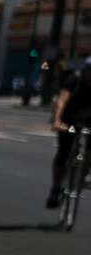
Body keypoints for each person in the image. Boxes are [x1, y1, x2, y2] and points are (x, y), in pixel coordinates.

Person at [48, 52, 91, 211]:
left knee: (89, 153)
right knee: (64, 153)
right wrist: (58, 122)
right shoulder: (74, 79)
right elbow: (61, 101)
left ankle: (83, 176)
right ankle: (56, 188)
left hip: (89, 119)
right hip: (70, 119)